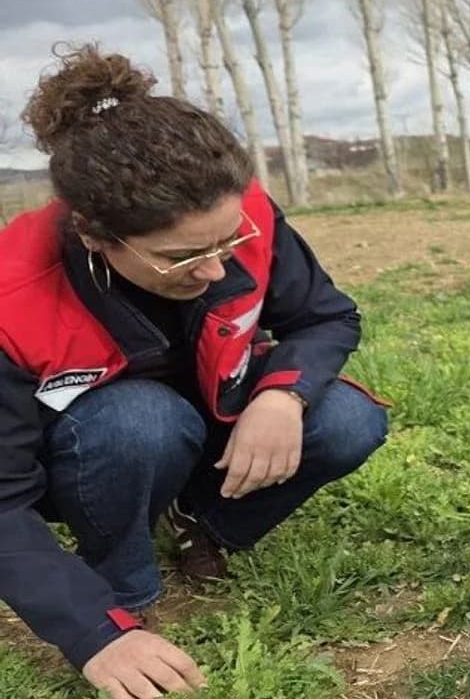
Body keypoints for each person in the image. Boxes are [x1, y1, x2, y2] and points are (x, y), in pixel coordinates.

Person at [3, 45, 388, 698]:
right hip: (89, 454)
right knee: (140, 421)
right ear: (95, 236)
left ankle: (202, 525)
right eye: (182, 256)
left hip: (213, 412)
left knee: (349, 419)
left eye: (228, 242)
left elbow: (325, 317)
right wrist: (94, 634)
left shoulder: (241, 214)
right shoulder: (13, 297)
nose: (217, 270)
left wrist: (281, 397)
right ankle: (123, 590)